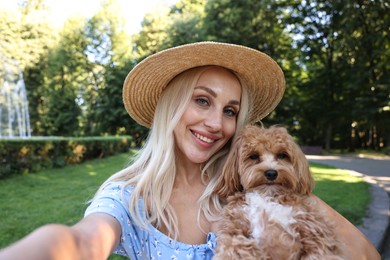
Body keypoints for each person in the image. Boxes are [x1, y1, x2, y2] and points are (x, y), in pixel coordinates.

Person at [0, 42, 379, 259]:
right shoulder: (129, 200)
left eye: (230, 111)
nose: (217, 123)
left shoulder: (252, 184)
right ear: (172, 106)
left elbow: (364, 252)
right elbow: (82, 241)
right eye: (202, 101)